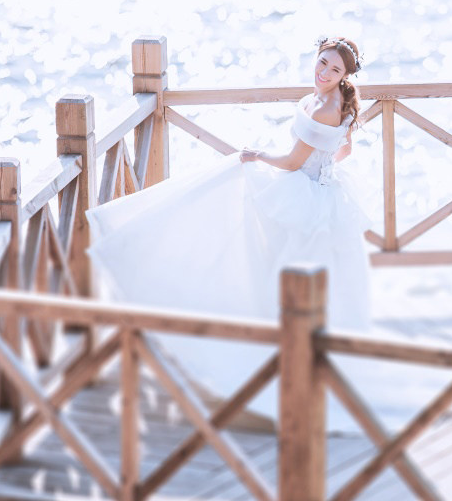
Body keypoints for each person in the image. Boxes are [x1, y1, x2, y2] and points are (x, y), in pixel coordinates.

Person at [86, 37, 373, 411]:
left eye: (334, 70)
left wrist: (259, 155)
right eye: (322, 63)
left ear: (345, 75)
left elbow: (290, 162)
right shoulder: (333, 101)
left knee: (278, 259)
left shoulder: (324, 108)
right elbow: (344, 149)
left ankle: (289, 356)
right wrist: (323, 163)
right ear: (316, 58)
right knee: (285, 263)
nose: (324, 73)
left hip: (306, 199)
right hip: (319, 191)